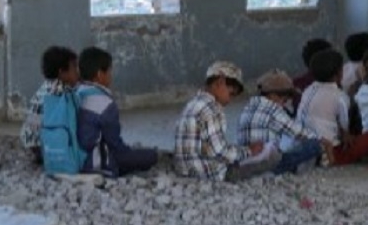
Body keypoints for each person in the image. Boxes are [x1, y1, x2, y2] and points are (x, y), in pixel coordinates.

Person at [174, 61, 281, 181]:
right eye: (231, 94)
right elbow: (221, 153)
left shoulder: (193, 104)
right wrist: (249, 151)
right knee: (273, 155)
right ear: (220, 82)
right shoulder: (211, 109)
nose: (230, 100)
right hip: (209, 174)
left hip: (185, 170)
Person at [74, 47, 159, 177]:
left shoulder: (77, 93)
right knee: (151, 156)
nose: (110, 75)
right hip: (95, 162)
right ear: (99, 74)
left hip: (77, 156)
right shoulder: (105, 103)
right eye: (109, 70)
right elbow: (115, 144)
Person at [297, 49, 368, 165]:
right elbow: (344, 125)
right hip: (330, 151)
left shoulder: (308, 90)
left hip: (303, 147)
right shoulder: (339, 96)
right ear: (339, 73)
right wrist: (346, 134)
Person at [238, 70, 324, 175]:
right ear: (273, 95)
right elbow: (298, 132)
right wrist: (320, 139)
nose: (284, 105)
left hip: (248, 158)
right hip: (267, 161)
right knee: (313, 145)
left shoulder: (250, 107)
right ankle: (275, 171)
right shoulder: (272, 109)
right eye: (284, 100)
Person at [20, 45, 79, 164]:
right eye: (74, 68)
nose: (77, 72)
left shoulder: (45, 87)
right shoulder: (61, 90)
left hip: (31, 141)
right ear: (62, 72)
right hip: (46, 142)